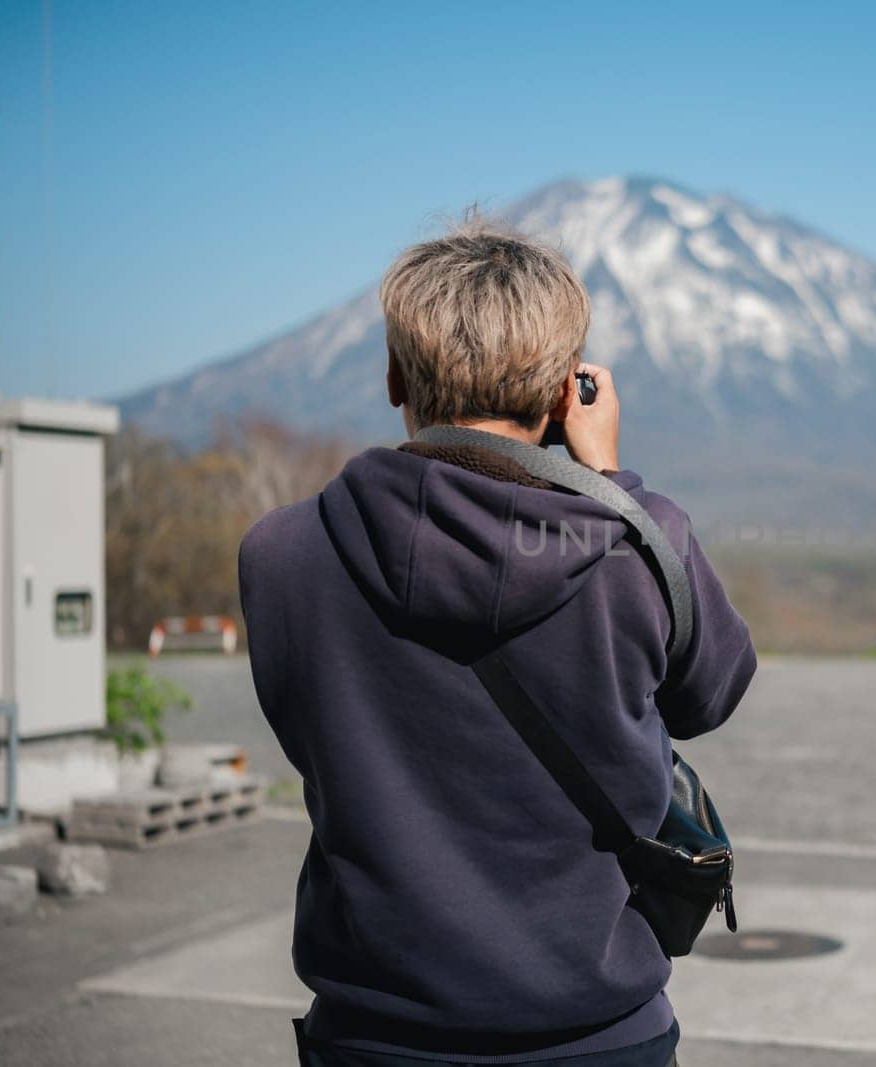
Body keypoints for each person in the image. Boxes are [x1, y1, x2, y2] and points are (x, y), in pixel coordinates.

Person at [238, 211, 757, 1067]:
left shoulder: (284, 553)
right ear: (569, 391)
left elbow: (312, 737)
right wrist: (610, 487)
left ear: (396, 375)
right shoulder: (637, 541)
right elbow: (711, 693)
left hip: (376, 1034)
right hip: (602, 1037)